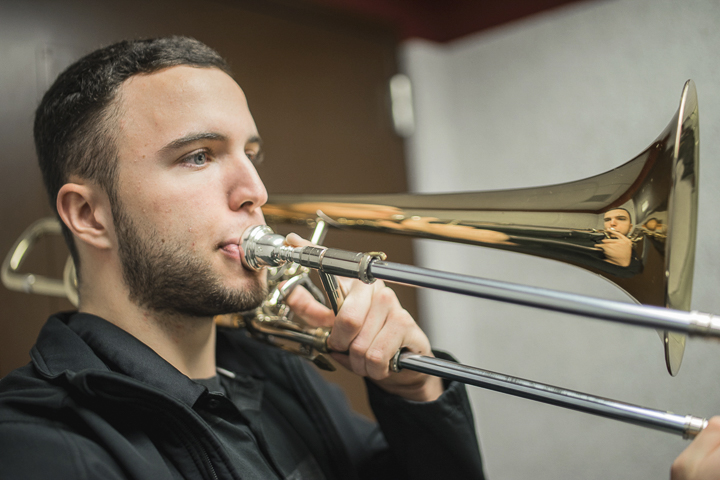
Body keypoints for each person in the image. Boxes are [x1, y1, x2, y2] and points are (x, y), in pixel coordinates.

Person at [0, 37, 484, 479]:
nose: (256, 191)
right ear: (89, 214)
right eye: (198, 156)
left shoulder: (276, 370)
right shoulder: (35, 442)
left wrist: (416, 394)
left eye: (251, 154)